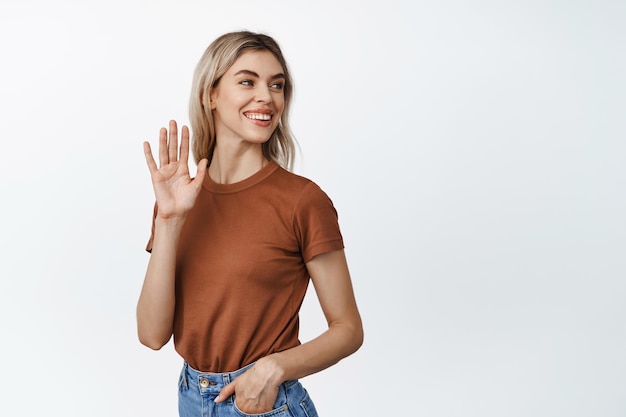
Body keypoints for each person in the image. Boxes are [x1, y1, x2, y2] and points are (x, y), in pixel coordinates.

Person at [136, 30, 363, 417]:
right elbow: (152, 335)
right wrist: (170, 222)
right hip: (191, 397)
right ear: (211, 94)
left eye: (277, 85)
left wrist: (275, 367)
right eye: (247, 81)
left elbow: (348, 329)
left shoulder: (302, 202)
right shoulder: (178, 200)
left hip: (264, 403)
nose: (267, 97)